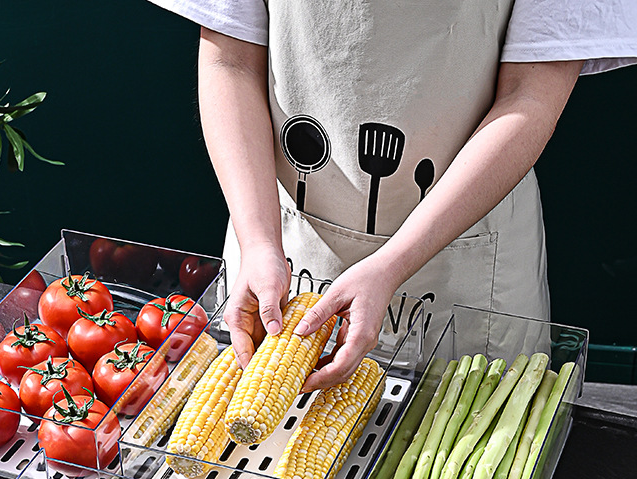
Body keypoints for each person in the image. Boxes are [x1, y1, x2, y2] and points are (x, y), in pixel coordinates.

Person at [148, 1, 636, 390]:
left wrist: (391, 264)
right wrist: (258, 242)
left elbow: (529, 96)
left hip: (462, 265)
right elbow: (230, 59)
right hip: (284, 243)